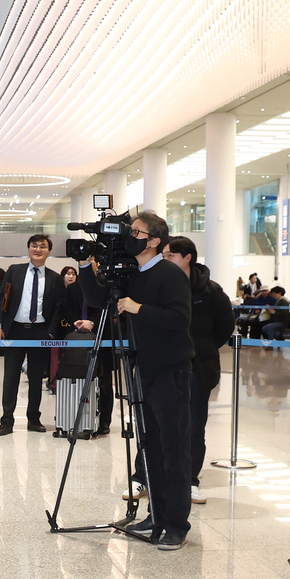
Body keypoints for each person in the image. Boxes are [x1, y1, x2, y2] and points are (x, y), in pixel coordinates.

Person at [78, 211, 194, 551]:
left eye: (138, 232)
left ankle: (176, 524)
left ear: (154, 240)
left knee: (173, 449)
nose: (132, 237)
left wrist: (139, 308)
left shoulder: (169, 273)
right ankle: (156, 515)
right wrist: (87, 266)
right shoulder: (133, 273)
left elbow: (179, 318)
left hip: (170, 370)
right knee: (151, 448)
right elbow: (101, 300)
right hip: (142, 368)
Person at [161, 237, 235, 505]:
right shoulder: (162, 285)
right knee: (159, 425)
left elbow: (225, 326)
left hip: (197, 369)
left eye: (171, 255)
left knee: (194, 428)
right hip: (164, 366)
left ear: (187, 257)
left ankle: (191, 480)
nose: (165, 260)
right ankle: (148, 477)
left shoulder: (210, 290)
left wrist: (201, 348)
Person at [0, 234, 65, 434]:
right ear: (28, 249)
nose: (38, 249)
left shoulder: (54, 278)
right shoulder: (14, 272)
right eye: (34, 246)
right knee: (11, 376)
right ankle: (7, 420)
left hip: (40, 332)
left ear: (49, 251)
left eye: (43, 246)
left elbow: (59, 308)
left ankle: (34, 419)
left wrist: (50, 333)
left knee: (35, 377)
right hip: (15, 329)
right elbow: (1, 299)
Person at [63, 265, 114, 436]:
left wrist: (92, 322)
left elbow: (106, 309)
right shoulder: (73, 288)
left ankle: (105, 421)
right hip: (79, 340)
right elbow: (67, 308)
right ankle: (76, 419)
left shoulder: (106, 284)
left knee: (105, 380)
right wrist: (76, 322)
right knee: (77, 377)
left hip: (103, 337)